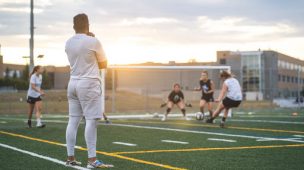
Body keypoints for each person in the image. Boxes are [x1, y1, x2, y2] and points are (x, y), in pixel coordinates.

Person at [65, 13, 113, 168]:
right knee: (91, 121)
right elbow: (104, 64)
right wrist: (91, 38)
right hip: (89, 84)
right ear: (88, 25)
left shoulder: (68, 42)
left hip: (72, 83)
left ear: (73, 26)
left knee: (73, 121)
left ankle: (70, 157)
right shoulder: (93, 41)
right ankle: (92, 160)